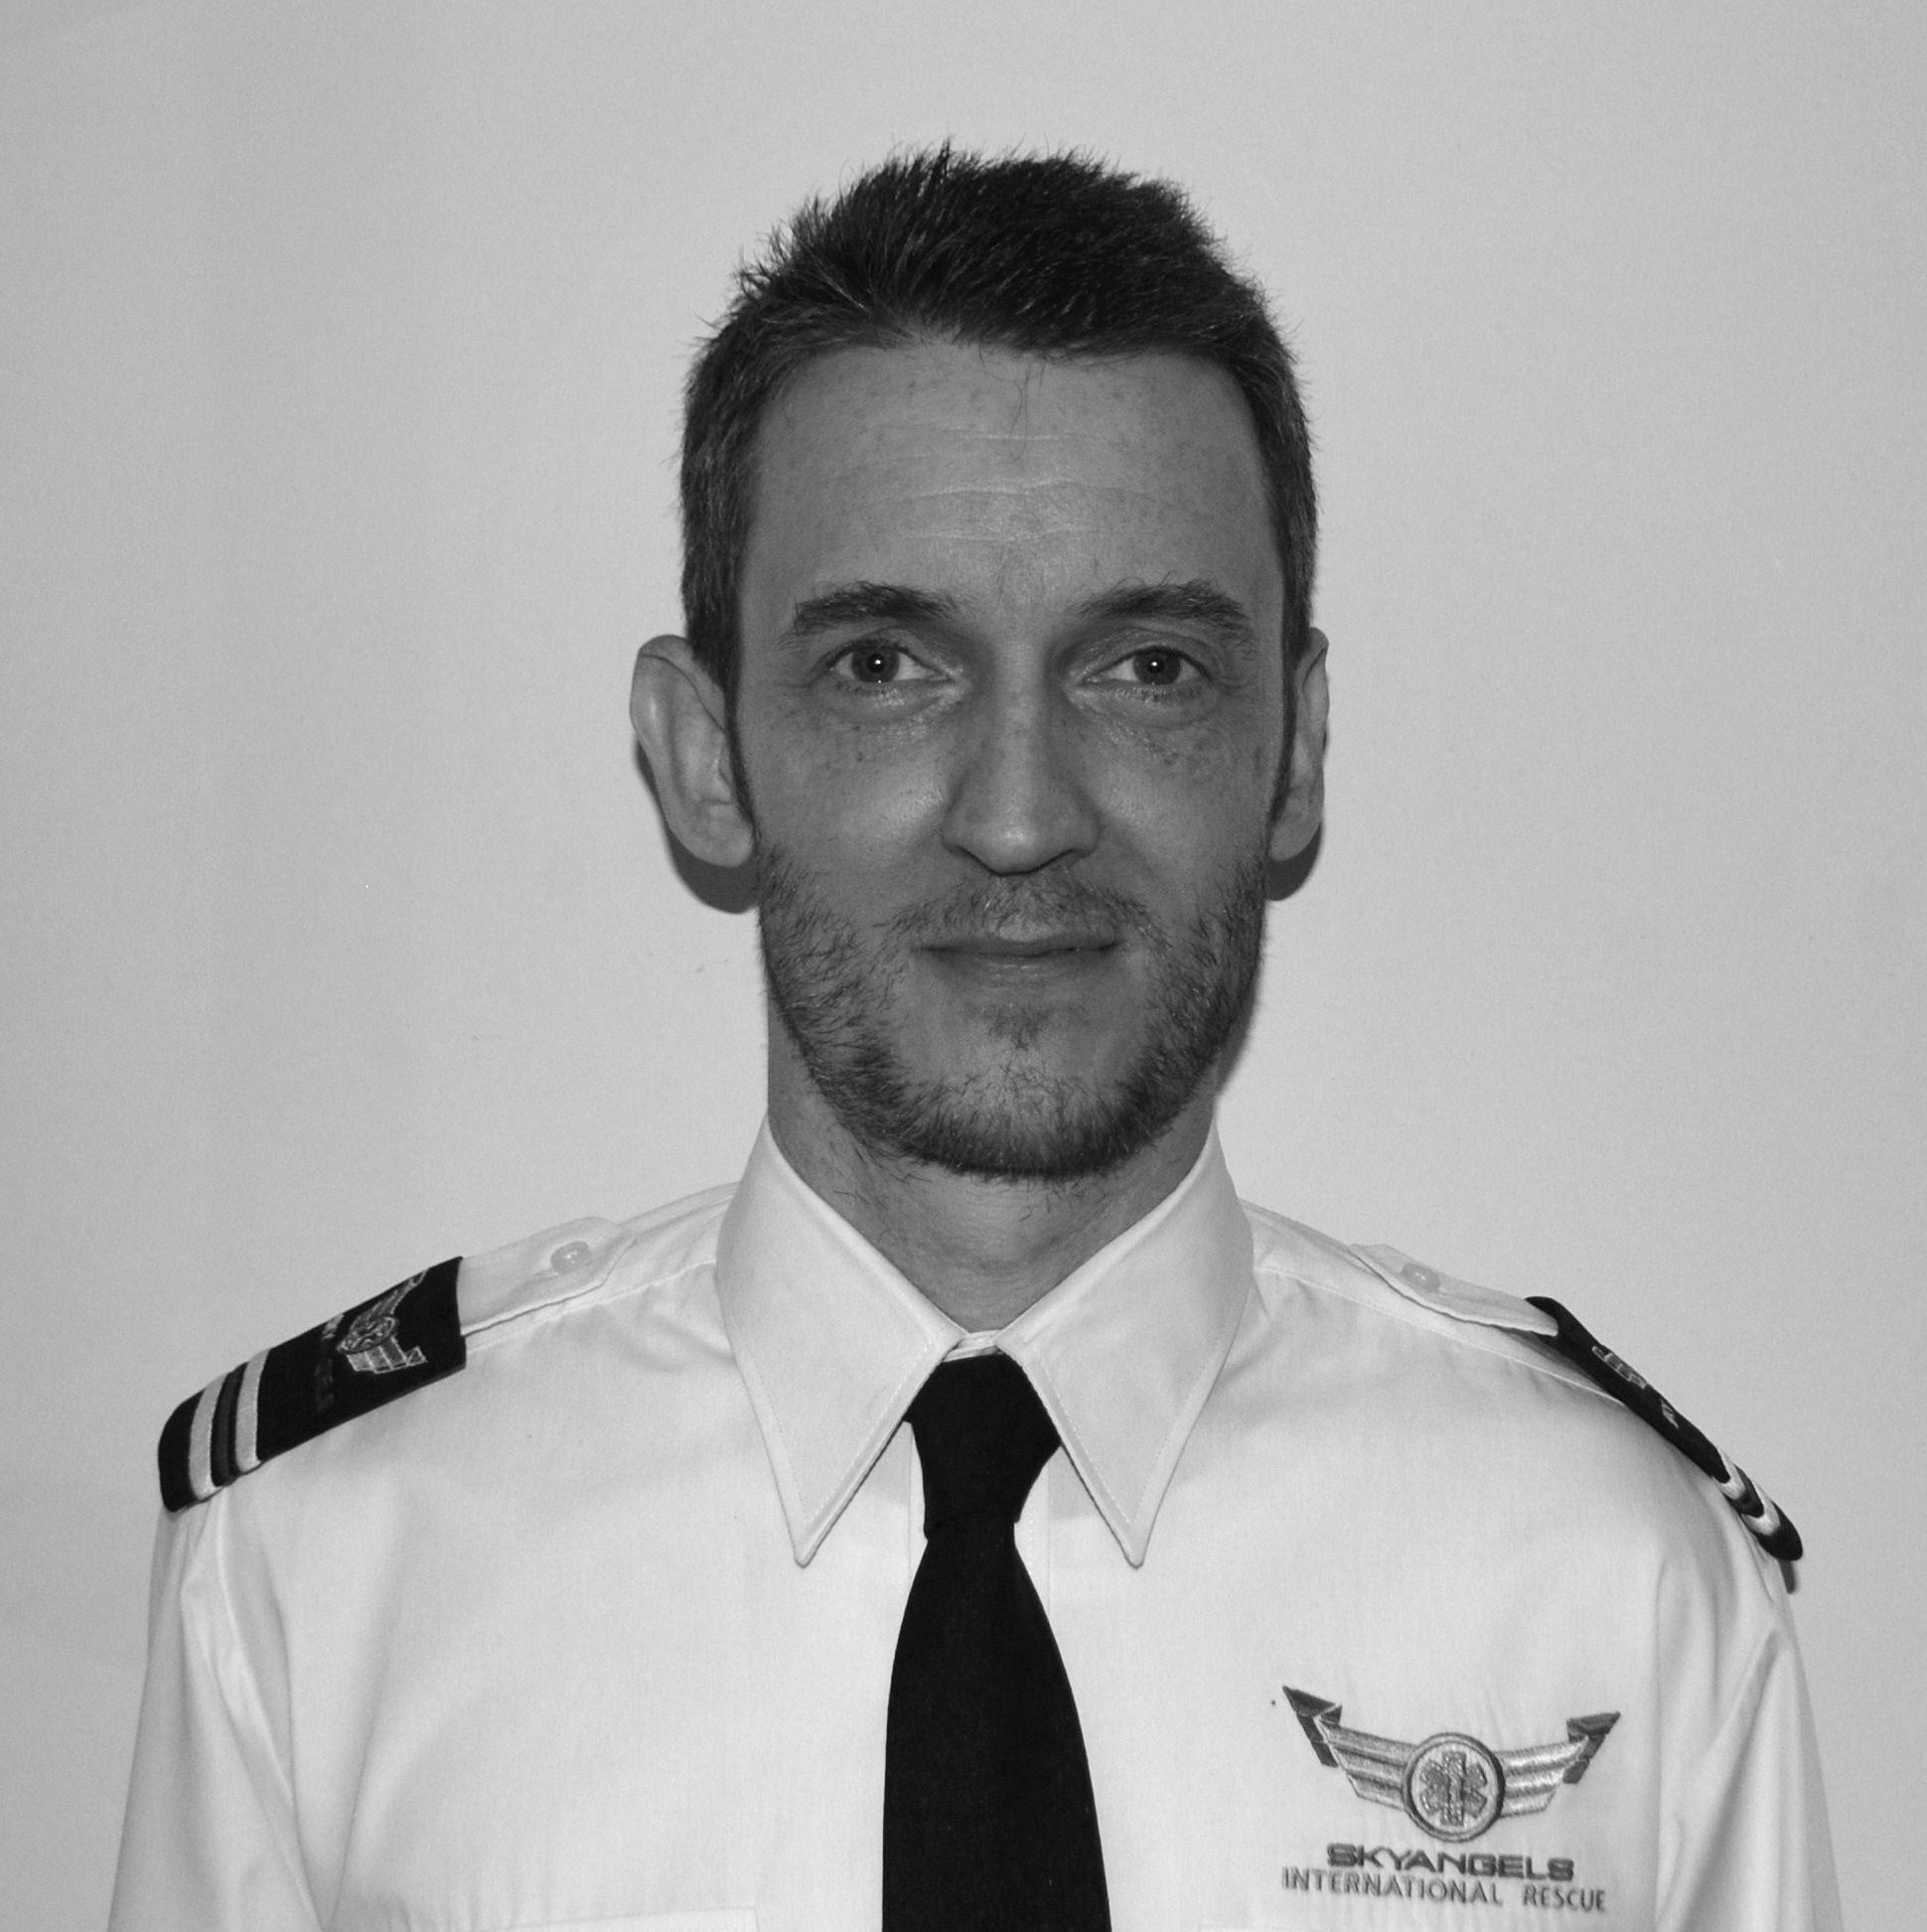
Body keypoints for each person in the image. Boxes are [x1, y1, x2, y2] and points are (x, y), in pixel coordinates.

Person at [109, 147, 1841, 1932]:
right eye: (885, 665)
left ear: (1297, 747)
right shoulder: (330, 1572)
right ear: (704, 753)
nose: (1020, 817)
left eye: (1148, 667)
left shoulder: (1614, 1585)